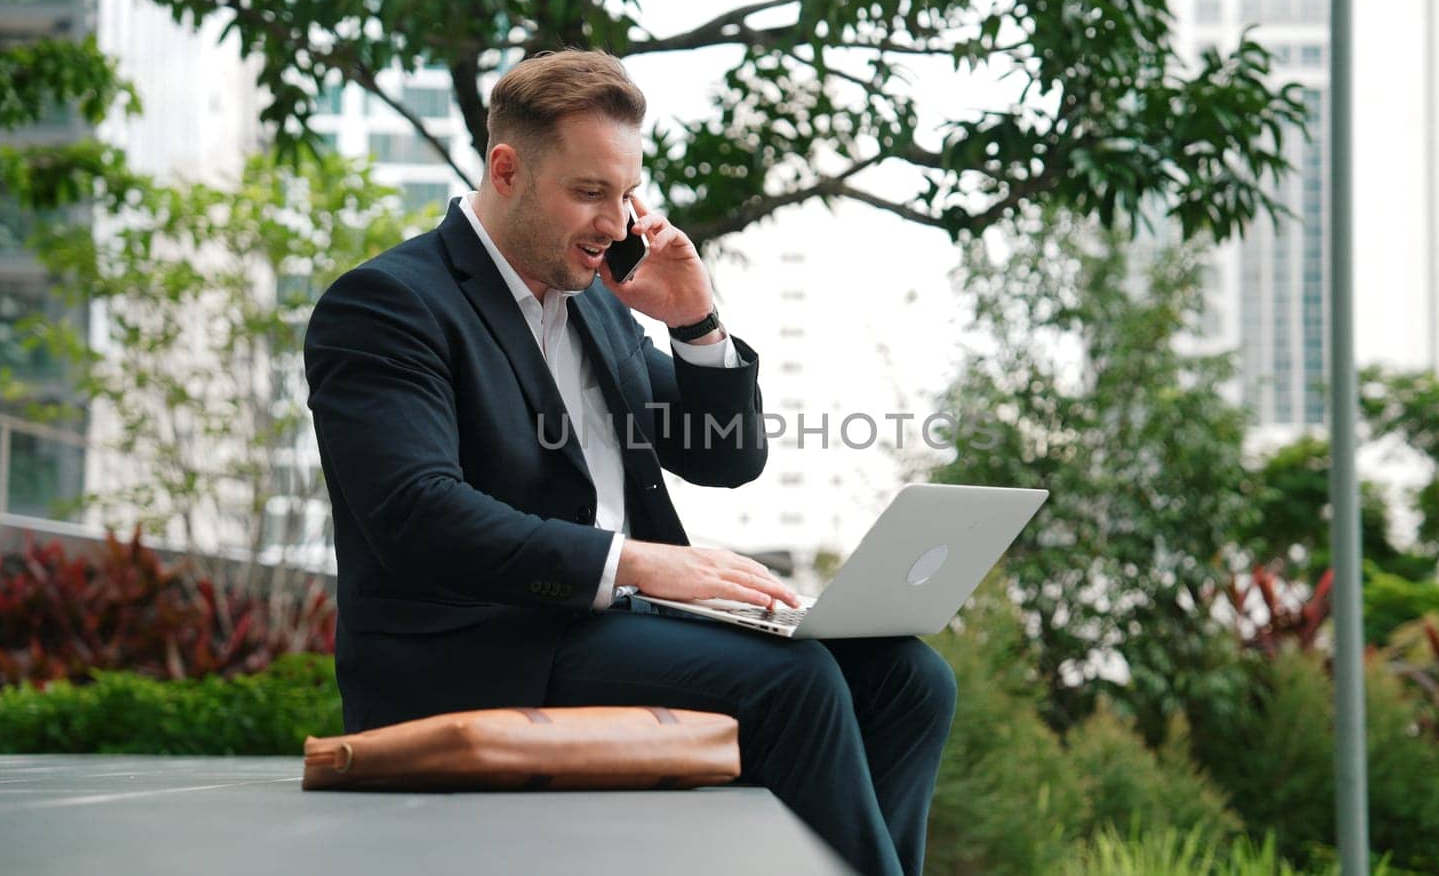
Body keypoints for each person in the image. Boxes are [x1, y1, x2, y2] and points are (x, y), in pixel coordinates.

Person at [304, 49, 956, 876]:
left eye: (625, 194)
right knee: (795, 682)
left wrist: (696, 325)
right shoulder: (390, 305)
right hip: (477, 648)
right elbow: (418, 515)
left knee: (909, 678)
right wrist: (638, 564)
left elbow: (727, 459)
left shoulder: (597, 312)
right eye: (589, 192)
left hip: (616, 631)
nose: (617, 223)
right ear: (506, 170)